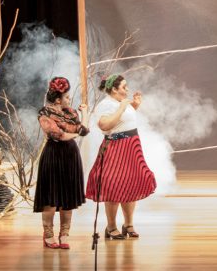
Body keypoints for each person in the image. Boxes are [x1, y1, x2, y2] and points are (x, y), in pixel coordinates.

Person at [84, 73, 156, 240]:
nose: (127, 89)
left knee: (131, 184)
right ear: (114, 90)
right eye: (124, 87)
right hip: (115, 147)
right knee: (113, 186)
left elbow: (124, 120)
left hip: (131, 146)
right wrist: (122, 107)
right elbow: (105, 125)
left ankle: (128, 224)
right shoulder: (105, 104)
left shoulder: (121, 102)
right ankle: (111, 227)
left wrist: (134, 105)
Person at [33, 76, 89, 249]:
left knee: (67, 199)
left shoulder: (71, 112)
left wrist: (85, 113)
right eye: (67, 97)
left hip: (70, 155)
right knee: (51, 199)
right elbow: (58, 135)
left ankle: (64, 234)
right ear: (58, 99)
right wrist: (77, 133)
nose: (69, 99)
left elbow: (84, 129)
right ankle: (48, 234)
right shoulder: (45, 113)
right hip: (53, 155)